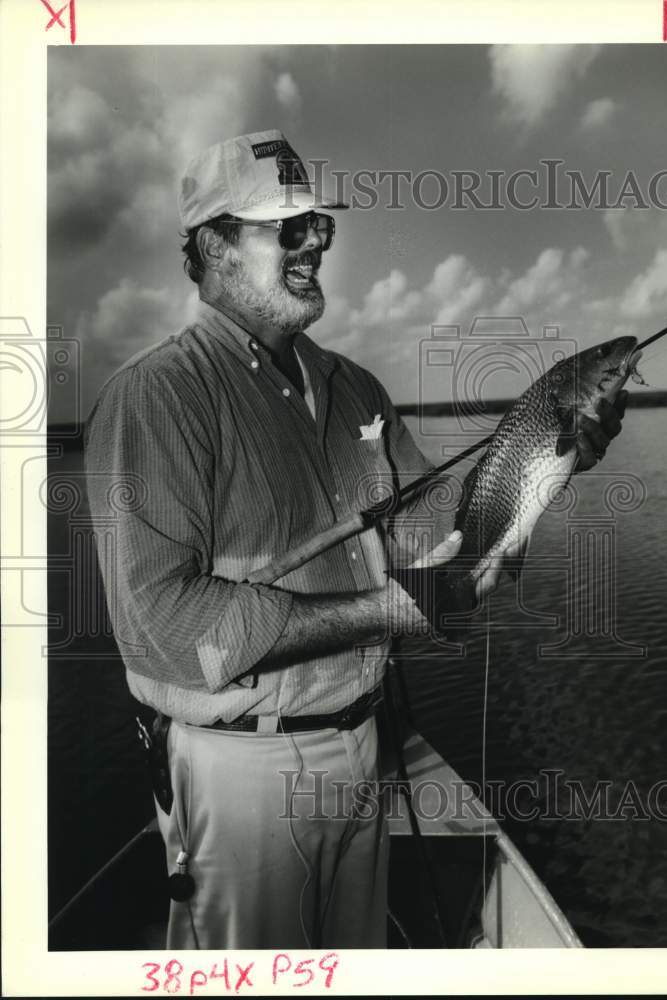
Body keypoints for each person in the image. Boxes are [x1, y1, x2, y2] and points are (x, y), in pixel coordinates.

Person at [84, 129, 625, 950]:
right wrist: (385, 612)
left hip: (365, 746)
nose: (314, 247)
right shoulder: (155, 400)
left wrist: (549, 450)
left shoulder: (355, 387)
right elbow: (161, 625)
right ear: (214, 247)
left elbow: (430, 532)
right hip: (241, 774)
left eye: (320, 229)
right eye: (287, 229)